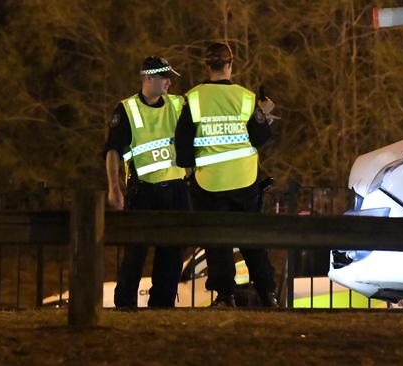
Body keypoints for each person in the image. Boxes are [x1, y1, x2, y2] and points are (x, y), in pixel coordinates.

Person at [174, 42, 278, 307]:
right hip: (245, 181)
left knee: (217, 241)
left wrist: (190, 170)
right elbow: (261, 137)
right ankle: (268, 293)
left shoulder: (194, 97)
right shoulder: (245, 97)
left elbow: (183, 144)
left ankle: (225, 295)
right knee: (252, 238)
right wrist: (262, 116)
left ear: (207, 66)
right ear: (230, 65)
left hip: (210, 182)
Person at [103, 57, 189, 308]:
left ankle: (162, 305)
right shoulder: (127, 109)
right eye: (164, 78)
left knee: (172, 252)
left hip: (175, 189)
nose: (169, 83)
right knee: (135, 253)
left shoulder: (176, 104)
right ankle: (125, 304)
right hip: (144, 191)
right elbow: (112, 151)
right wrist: (114, 188)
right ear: (148, 79)